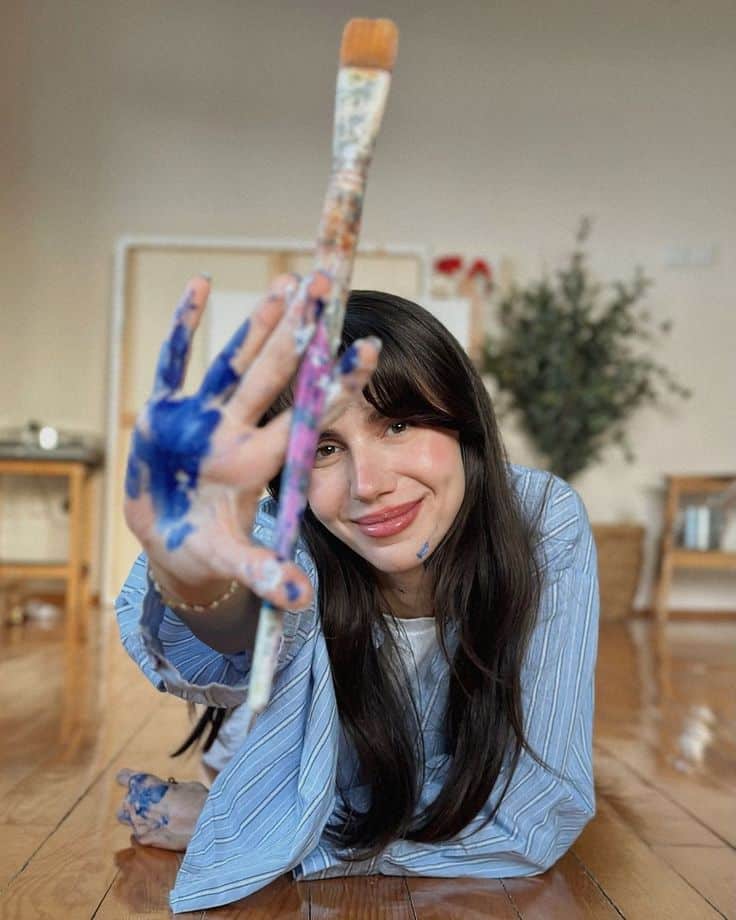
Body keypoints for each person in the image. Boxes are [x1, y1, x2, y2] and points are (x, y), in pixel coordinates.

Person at [115, 272, 600, 914]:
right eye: (323, 447)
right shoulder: (286, 542)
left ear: (462, 420)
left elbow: (537, 816)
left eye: (398, 425)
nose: (367, 484)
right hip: (277, 764)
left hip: (302, 803)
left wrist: (243, 831)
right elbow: (218, 648)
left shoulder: (542, 522)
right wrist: (195, 586)